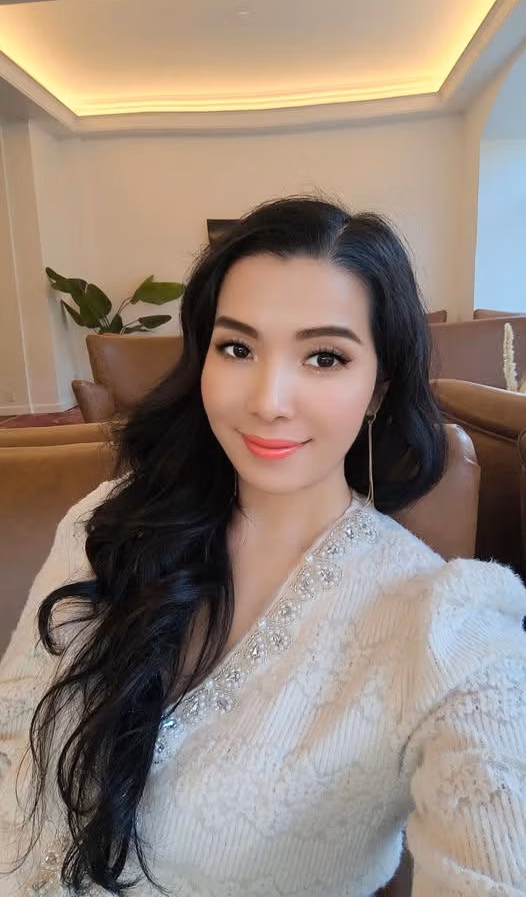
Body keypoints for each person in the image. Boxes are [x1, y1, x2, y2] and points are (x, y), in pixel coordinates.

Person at [0, 196, 525, 897]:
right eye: (238, 348)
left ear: (379, 387)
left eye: (325, 356)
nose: (268, 399)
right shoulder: (108, 523)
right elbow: (13, 732)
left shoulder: (444, 629)